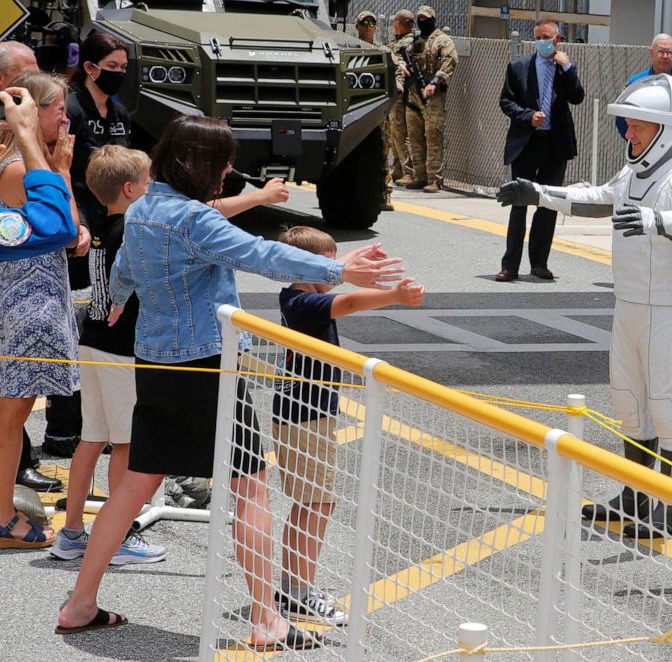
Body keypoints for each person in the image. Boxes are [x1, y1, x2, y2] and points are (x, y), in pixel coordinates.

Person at [56, 115, 405, 646]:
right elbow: (260, 253)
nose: (226, 174)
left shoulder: (145, 206)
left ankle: (81, 602)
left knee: (134, 484)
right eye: (221, 164)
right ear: (197, 164)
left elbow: (125, 264)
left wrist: (123, 296)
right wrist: (341, 270)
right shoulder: (194, 219)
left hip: (155, 362)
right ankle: (268, 620)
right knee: (249, 489)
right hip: (209, 367)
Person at [498, 75, 672, 540]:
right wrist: (537, 193)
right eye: (630, 125)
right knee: (630, 404)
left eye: (638, 126)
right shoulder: (635, 169)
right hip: (630, 303)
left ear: (668, 127)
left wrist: (657, 219)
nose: (629, 135)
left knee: (668, 405)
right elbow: (599, 198)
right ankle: (635, 499)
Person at [272, 225, 425, 626]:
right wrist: (394, 295)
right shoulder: (304, 302)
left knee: (311, 502)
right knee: (316, 503)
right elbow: (351, 302)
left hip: (304, 413)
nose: (339, 269)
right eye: (331, 264)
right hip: (305, 416)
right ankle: (298, 592)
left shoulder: (299, 295)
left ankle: (294, 586)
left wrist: (358, 266)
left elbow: (345, 293)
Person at [50, 145, 168, 565]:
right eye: (151, 181)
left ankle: (73, 531)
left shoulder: (103, 226)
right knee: (126, 443)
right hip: (121, 349)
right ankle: (119, 536)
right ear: (132, 189)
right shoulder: (133, 230)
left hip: (94, 341)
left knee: (91, 439)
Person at [0, 72, 83, 550]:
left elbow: (75, 235)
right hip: (31, 301)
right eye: (57, 109)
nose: (64, 118)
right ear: (30, 113)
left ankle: (1, 513)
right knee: (11, 409)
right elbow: (66, 229)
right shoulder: (23, 168)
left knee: (9, 408)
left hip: (31, 297)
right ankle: (0, 514)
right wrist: (61, 170)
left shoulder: (21, 163)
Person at [0, 41, 58, 492]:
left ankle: (5, 464)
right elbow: (58, 224)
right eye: (29, 72)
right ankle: (4, 469)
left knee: (6, 378)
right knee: (6, 377)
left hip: (5, 262)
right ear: (1, 81)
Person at [44, 30, 130, 461]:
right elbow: (61, 169)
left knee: (102, 319)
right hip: (76, 232)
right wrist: (75, 220)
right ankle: (62, 427)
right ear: (91, 66)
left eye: (123, 69)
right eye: (111, 68)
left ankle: (102, 422)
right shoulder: (72, 108)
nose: (118, 76)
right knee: (71, 325)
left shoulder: (119, 111)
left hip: (111, 233)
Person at [495, 18, 585, 282]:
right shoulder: (518, 67)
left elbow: (577, 97)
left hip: (555, 145)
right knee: (519, 203)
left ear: (557, 39)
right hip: (526, 143)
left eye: (547, 37)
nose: (542, 42)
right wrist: (527, 116)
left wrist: (567, 67)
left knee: (547, 204)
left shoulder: (564, 68)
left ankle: (539, 263)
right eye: (538, 37)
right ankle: (510, 265)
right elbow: (506, 101)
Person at [404, 5, 458, 192]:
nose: (422, 21)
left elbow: (449, 61)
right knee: (414, 137)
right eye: (419, 18)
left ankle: (434, 179)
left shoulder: (442, 40)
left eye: (426, 18)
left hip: (432, 97)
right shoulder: (415, 41)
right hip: (413, 96)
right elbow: (404, 59)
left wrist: (434, 82)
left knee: (433, 137)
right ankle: (419, 176)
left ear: (433, 19)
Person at [613, 33, 672, 141]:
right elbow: (621, 117)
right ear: (651, 52)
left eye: (669, 52)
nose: (665, 56)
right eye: (660, 51)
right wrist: (634, 142)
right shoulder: (636, 83)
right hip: (640, 150)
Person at [356, 10, 394, 211]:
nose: (369, 26)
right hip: (357, 109)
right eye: (365, 23)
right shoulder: (350, 47)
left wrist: (399, 87)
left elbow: (398, 71)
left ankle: (385, 194)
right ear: (358, 26)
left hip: (380, 111)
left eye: (372, 23)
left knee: (383, 151)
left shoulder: (384, 51)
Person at [389, 10, 416, 185]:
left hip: (401, 92)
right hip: (400, 92)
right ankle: (398, 169)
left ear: (399, 23)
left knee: (399, 131)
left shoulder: (405, 44)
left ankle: (409, 171)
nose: (393, 26)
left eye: (395, 23)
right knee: (396, 132)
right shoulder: (403, 42)